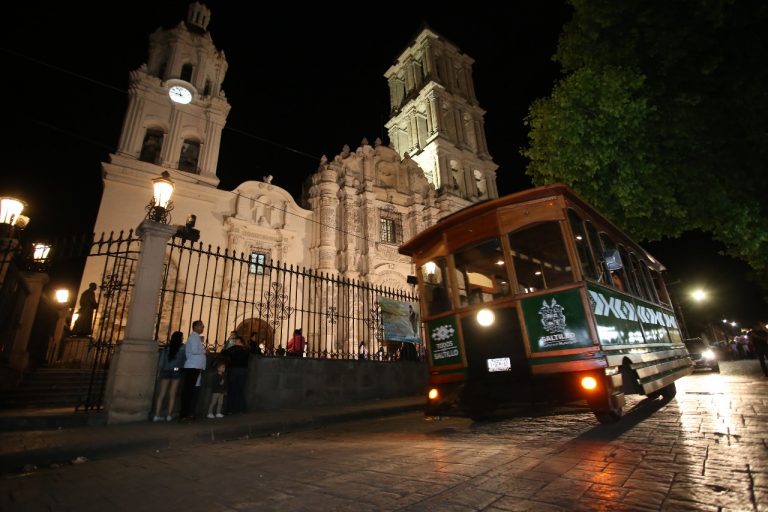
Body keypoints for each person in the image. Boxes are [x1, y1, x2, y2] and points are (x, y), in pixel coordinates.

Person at [152, 331, 186, 422]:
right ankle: (169, 415)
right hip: (176, 371)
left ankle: (156, 414)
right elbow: (184, 361)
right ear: (180, 338)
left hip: (165, 370)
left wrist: (160, 371)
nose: (183, 338)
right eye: (182, 337)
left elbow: (161, 362)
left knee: (162, 394)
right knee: (172, 394)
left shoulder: (167, 348)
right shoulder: (183, 348)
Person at [180, 320, 206, 421]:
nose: (203, 328)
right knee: (188, 391)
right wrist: (204, 351)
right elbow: (195, 351)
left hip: (195, 367)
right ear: (196, 327)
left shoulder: (195, 337)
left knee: (190, 391)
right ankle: (184, 414)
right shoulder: (194, 337)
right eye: (202, 326)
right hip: (192, 367)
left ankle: (188, 413)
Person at [222, 335, 249, 414]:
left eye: (235, 340)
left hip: (234, 370)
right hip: (243, 370)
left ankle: (230, 409)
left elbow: (223, 352)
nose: (234, 342)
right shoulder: (246, 349)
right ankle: (241, 409)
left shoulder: (234, 348)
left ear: (238, 341)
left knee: (232, 389)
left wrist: (227, 343)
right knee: (240, 389)